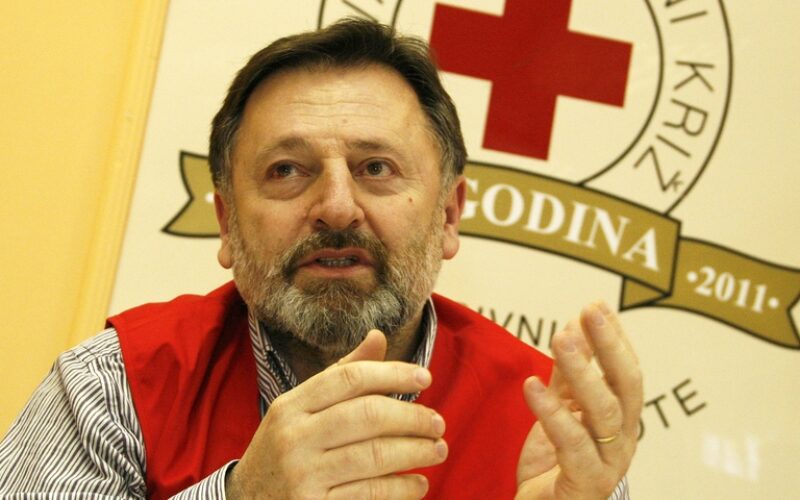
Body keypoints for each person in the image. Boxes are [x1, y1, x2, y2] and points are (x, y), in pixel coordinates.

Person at [0, 18, 642, 499]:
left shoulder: (547, 427)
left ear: (448, 215)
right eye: (287, 170)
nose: (336, 207)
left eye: (376, 168)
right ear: (226, 223)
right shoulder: (112, 387)